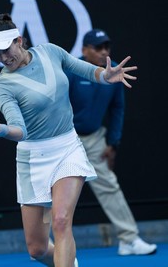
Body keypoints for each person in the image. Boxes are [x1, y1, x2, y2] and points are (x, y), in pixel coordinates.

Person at [0, 14, 137, 267]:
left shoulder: (51, 52)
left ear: (19, 40)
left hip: (67, 149)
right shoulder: (1, 84)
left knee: (62, 221)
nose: (3, 58)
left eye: (6, 50)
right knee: (37, 248)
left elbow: (84, 69)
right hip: (33, 160)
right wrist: (0, 129)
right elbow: (20, 130)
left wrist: (105, 75)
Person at [66, 29, 157, 256]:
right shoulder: (71, 71)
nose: (104, 52)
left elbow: (118, 108)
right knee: (51, 193)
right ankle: (44, 245)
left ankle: (129, 239)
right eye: (98, 47)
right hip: (66, 139)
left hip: (96, 139)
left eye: (106, 47)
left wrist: (113, 143)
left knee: (109, 186)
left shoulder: (115, 70)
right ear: (84, 50)